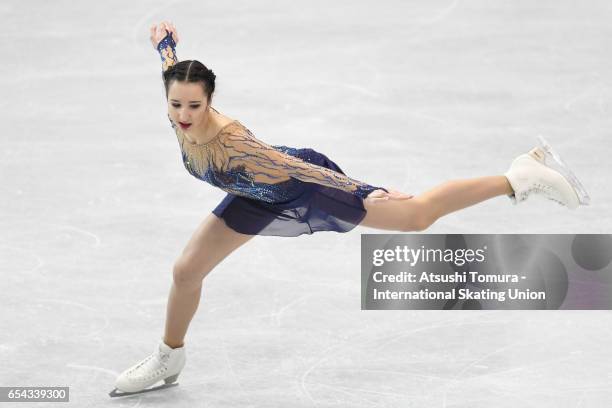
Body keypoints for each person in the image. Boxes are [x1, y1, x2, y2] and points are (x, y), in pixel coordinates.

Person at [111, 21, 590, 395]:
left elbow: (295, 168)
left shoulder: (233, 141)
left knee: (416, 217)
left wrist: (365, 189)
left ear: (210, 100)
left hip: (305, 185)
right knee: (185, 271)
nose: (183, 115)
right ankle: (168, 357)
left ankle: (518, 176)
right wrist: (165, 44)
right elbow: (171, 69)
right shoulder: (176, 101)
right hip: (256, 194)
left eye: (194, 106)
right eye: (176, 105)